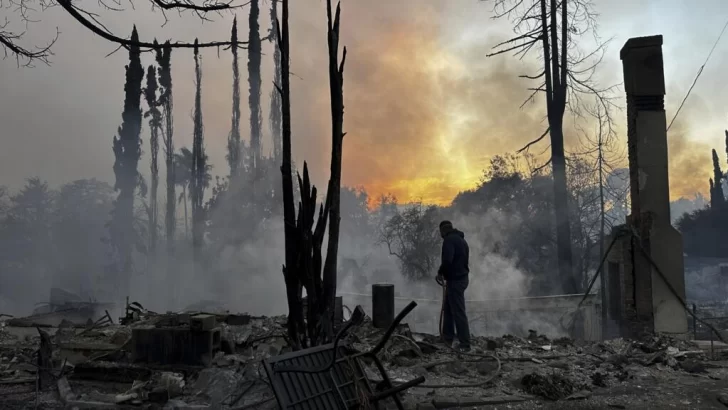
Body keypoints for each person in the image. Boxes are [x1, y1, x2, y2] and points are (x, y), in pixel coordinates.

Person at [436, 220, 471, 352]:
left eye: (440, 232)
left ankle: (465, 344)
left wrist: (440, 273)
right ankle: (447, 337)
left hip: (456, 281)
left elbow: (447, 260)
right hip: (461, 278)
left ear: (443, 231)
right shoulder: (462, 241)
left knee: (458, 312)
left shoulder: (449, 240)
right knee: (449, 309)